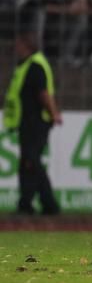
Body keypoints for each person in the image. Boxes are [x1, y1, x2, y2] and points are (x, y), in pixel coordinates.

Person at [3, 30, 62, 215]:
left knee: (31, 161)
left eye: (19, 44)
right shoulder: (27, 64)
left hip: (35, 122)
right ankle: (28, 204)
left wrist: (54, 113)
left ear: (26, 46)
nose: (16, 47)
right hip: (27, 121)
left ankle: (47, 204)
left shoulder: (35, 65)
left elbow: (43, 93)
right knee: (28, 162)